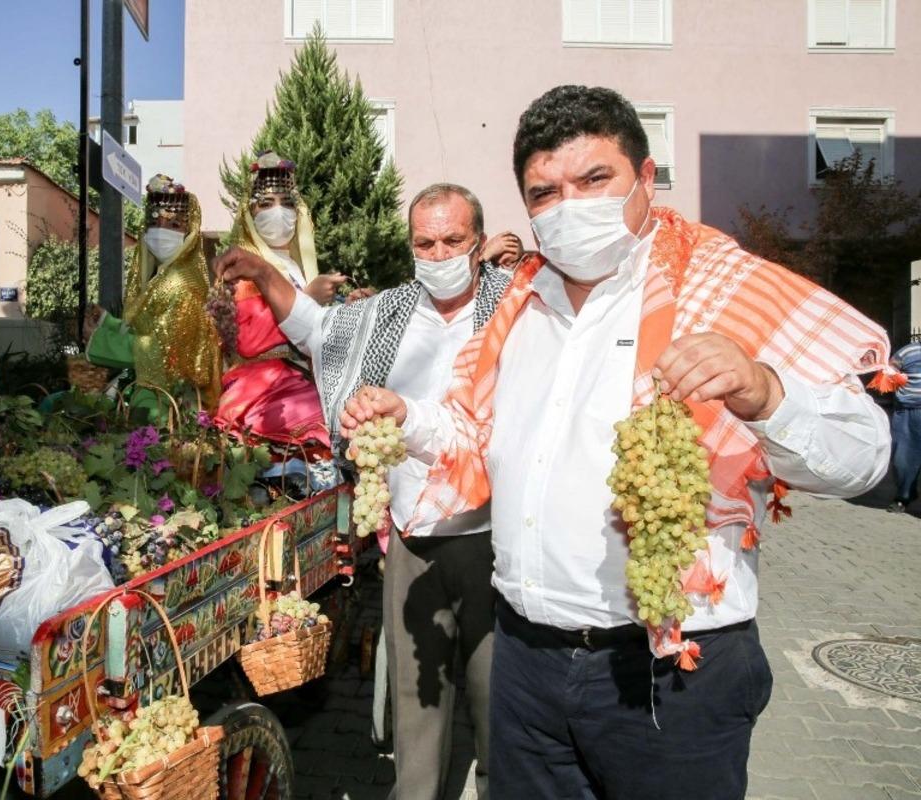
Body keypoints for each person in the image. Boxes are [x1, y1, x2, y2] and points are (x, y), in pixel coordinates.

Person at [341, 85, 895, 799]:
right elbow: (474, 436)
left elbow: (863, 457)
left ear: (646, 176)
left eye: (594, 179)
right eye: (544, 192)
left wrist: (766, 393)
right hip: (525, 666)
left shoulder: (724, 291)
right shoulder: (517, 304)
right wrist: (406, 417)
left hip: (666, 675)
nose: (569, 206)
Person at [218, 184, 518, 799]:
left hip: (497, 538)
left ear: (479, 244)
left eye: (453, 241)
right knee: (416, 698)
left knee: (499, 701)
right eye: (424, 242)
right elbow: (316, 328)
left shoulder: (518, 311)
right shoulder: (390, 312)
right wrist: (260, 271)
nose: (438, 253)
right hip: (411, 537)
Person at [211, 151, 344, 450]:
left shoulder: (298, 265)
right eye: (267, 204)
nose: (279, 213)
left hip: (301, 378)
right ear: (250, 212)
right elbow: (247, 340)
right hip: (260, 387)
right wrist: (307, 299)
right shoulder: (244, 267)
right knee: (333, 419)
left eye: (287, 204)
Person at [86, 175, 221, 407]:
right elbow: (148, 329)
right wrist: (106, 322)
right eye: (154, 223)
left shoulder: (181, 284)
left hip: (165, 404)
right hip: (153, 393)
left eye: (174, 225)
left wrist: (97, 340)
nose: (161, 232)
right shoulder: (164, 276)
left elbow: (159, 349)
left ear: (189, 233)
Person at [887, 339, 921, 512]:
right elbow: (889, 371)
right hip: (906, 412)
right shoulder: (907, 352)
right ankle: (904, 496)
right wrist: (894, 376)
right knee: (903, 459)